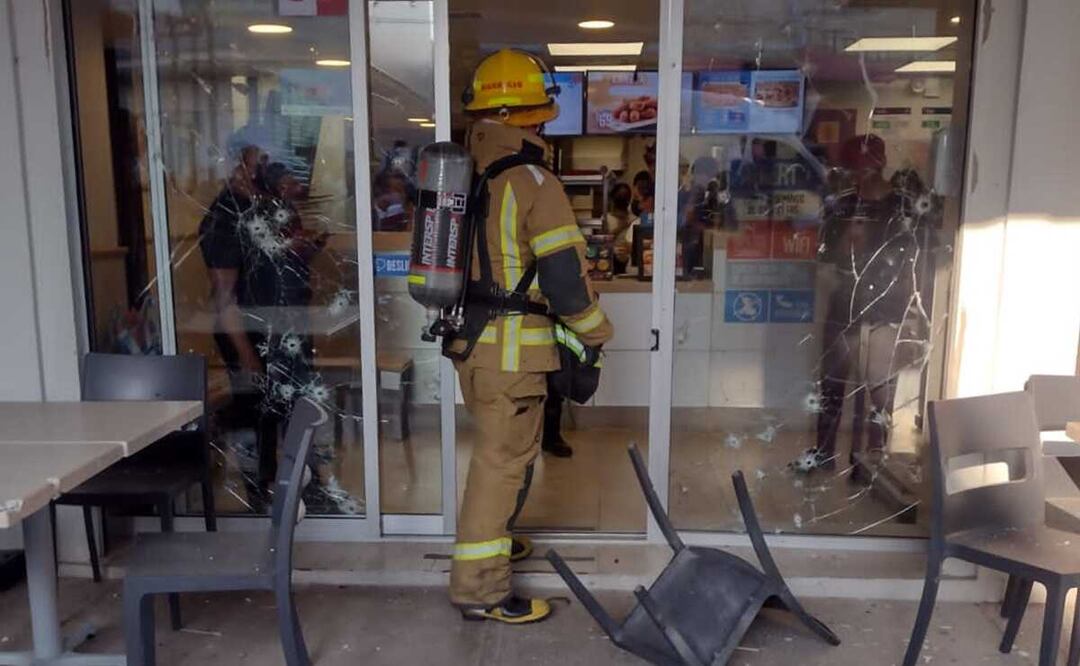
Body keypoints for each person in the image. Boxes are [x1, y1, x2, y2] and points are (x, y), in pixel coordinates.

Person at [448, 48, 614, 624]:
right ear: (529, 116)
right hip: (512, 355)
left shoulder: (467, 174)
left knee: (502, 457)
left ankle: (495, 542)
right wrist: (598, 332)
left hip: (472, 345)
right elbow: (565, 281)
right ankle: (481, 591)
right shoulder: (532, 180)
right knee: (500, 467)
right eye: (541, 113)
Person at [795, 134, 929, 475]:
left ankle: (872, 460)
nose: (859, 176)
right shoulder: (842, 206)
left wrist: (909, 314)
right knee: (832, 385)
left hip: (886, 309)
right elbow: (826, 258)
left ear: (879, 166)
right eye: (854, 169)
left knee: (879, 390)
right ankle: (825, 454)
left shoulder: (903, 208)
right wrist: (847, 240)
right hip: (845, 305)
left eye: (865, 169)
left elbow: (914, 262)